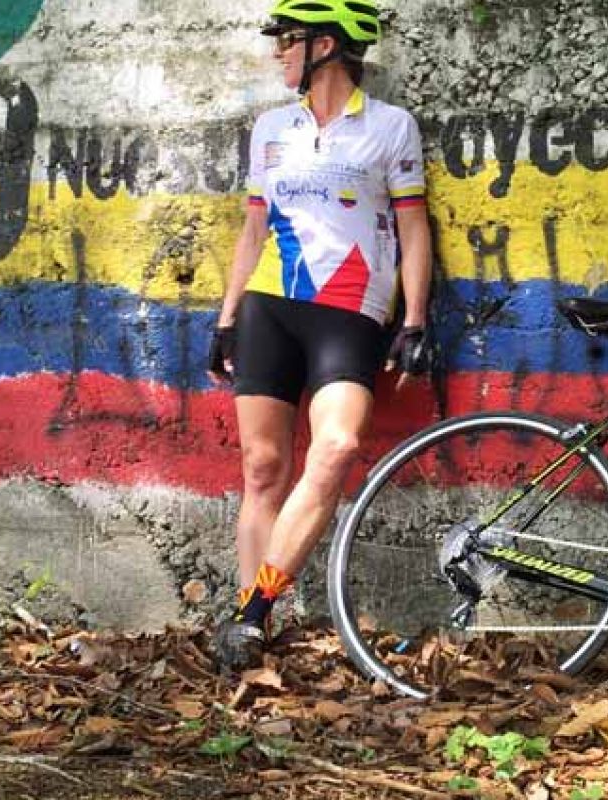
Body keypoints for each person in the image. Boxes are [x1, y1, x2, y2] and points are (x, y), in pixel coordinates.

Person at [206, 0, 434, 671]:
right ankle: (252, 636)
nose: (277, 51)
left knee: (336, 448)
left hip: (351, 307)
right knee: (262, 468)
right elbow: (253, 230)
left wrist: (414, 317)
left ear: (326, 46)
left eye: (288, 40)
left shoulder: (391, 127)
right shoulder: (271, 127)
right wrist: (225, 318)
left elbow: (415, 227)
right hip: (269, 305)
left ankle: (251, 610)